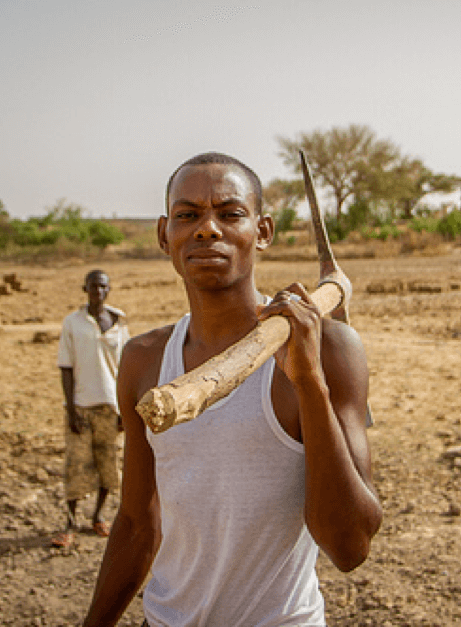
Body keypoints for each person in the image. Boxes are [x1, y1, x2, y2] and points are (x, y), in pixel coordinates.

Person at [82, 152, 381, 626]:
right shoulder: (143, 361)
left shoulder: (330, 349)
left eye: (229, 213)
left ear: (262, 232)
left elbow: (349, 547)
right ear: (165, 235)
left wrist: (308, 382)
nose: (206, 229)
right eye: (188, 215)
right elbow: (139, 523)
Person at [55, 269, 130, 549]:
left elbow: (125, 369)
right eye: (92, 287)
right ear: (84, 289)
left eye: (102, 287)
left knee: (108, 466)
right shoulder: (72, 323)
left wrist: (124, 407)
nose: (97, 292)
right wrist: (72, 410)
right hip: (81, 407)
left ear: (108, 290)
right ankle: (70, 522)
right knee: (76, 465)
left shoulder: (119, 323)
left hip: (110, 407)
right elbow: (66, 367)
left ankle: (98, 516)